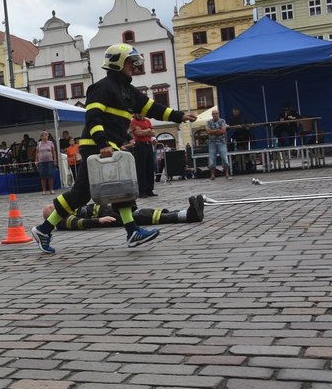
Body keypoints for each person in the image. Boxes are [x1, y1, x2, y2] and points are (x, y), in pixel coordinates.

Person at [31, 43, 196, 253]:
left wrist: (179, 116)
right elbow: (92, 118)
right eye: (130, 62)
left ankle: (130, 231)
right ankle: (45, 229)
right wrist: (103, 144)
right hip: (96, 148)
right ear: (118, 63)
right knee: (82, 193)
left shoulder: (129, 92)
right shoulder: (102, 88)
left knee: (116, 188)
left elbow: (153, 108)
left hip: (108, 148)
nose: (133, 67)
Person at [45, 194, 205, 230]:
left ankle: (185, 212)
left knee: (145, 212)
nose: (55, 206)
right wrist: (98, 221)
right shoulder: (61, 222)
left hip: (108, 209)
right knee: (142, 217)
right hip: (107, 216)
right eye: (51, 209)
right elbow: (77, 223)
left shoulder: (68, 209)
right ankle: (188, 215)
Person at [129, 112, 157, 197]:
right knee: (141, 169)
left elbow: (153, 133)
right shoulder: (133, 121)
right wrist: (148, 131)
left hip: (148, 145)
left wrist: (144, 131)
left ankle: (149, 189)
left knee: (150, 168)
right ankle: (142, 191)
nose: (141, 114)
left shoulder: (147, 121)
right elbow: (138, 133)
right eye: (139, 113)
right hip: (140, 145)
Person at [205, 108, 232, 180]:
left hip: (221, 142)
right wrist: (218, 130)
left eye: (216, 114)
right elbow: (208, 131)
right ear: (212, 115)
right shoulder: (208, 122)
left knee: (224, 158)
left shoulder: (222, 121)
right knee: (212, 159)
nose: (215, 115)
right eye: (213, 114)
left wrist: (212, 131)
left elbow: (223, 131)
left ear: (218, 114)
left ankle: (227, 174)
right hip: (212, 143)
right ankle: (212, 175)